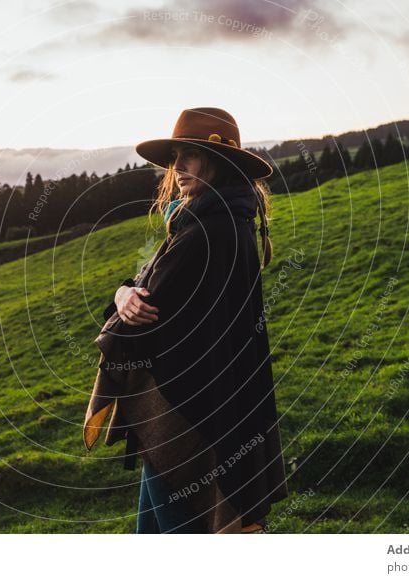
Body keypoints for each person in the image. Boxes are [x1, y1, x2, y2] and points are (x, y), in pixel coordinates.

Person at [83, 107, 290, 534]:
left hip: (185, 418)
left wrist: (121, 300)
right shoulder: (227, 222)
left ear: (220, 162)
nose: (179, 168)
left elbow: (139, 317)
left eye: (191, 155)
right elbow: (144, 293)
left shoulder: (206, 231)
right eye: (176, 157)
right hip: (202, 410)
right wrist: (124, 293)